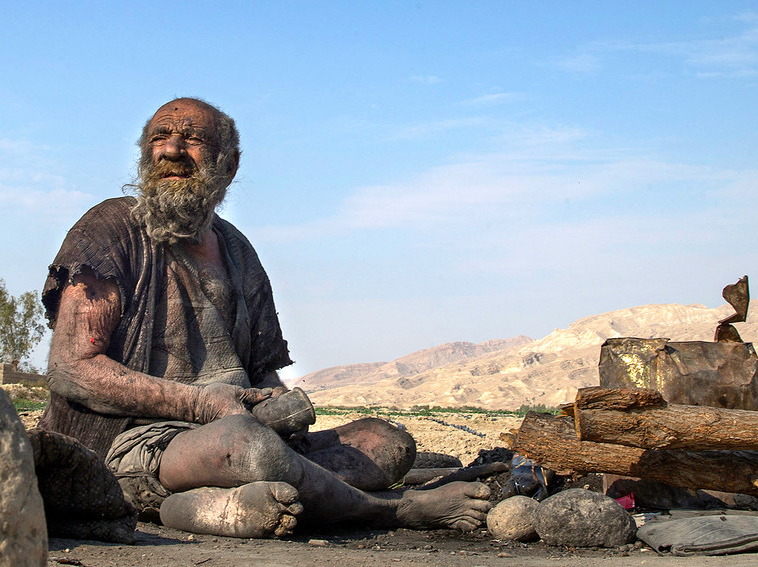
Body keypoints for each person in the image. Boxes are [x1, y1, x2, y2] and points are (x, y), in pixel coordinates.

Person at [37, 97, 490, 538]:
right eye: (161, 137)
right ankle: (392, 511)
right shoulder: (109, 229)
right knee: (247, 447)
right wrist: (200, 404)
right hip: (136, 443)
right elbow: (71, 369)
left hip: (237, 430)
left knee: (385, 443)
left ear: (228, 165)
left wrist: (277, 402)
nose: (172, 150)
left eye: (191, 138)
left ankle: (208, 507)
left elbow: (261, 371)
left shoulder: (237, 250)